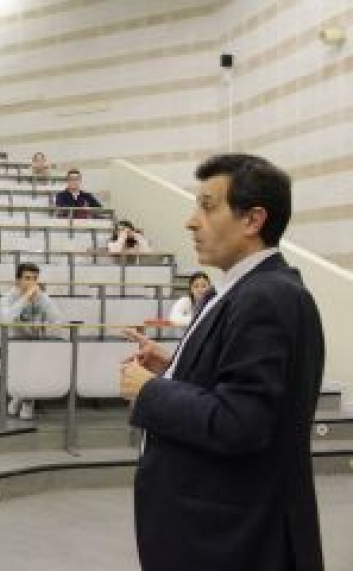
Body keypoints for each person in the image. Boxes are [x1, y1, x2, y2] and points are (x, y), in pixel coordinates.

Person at [120, 154, 324, 571]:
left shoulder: (265, 296)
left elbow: (241, 422)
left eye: (207, 206)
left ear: (253, 220)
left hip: (231, 542)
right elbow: (234, 385)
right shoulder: (242, 290)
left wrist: (151, 391)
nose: (191, 221)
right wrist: (174, 368)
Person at [1, 262, 63, 420]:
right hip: (14, 343)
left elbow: (58, 320)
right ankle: (25, 399)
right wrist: (26, 298)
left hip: (36, 343)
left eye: (35, 278)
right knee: (29, 361)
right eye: (27, 278)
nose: (31, 282)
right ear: (18, 281)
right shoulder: (8, 297)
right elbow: (6, 319)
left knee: (39, 359)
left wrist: (45, 324)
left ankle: (22, 399)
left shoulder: (42, 297)